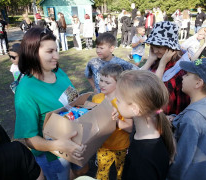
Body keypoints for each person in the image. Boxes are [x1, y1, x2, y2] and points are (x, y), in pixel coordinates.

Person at [14, 27, 88, 180]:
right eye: (50, 52)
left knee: (81, 171)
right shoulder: (26, 91)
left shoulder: (58, 73)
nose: (57, 56)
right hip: (53, 157)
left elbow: (74, 100)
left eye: (56, 50)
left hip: (76, 142)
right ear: (32, 52)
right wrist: (57, 145)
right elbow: (30, 139)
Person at [167, 58, 206, 180]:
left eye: (187, 74)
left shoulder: (192, 117)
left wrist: (170, 176)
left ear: (198, 83)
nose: (183, 77)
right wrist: (176, 119)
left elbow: (182, 157)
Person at [114, 70, 176, 180]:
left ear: (134, 109)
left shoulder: (143, 159)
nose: (116, 102)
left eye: (118, 100)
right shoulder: (148, 131)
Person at [92, 64, 133, 180]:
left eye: (107, 82)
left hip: (121, 146)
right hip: (103, 145)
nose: (102, 84)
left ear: (118, 84)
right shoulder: (96, 98)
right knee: (101, 172)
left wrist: (115, 121)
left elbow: (129, 127)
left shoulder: (124, 101)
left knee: (121, 173)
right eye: (101, 80)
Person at [141, 21, 190, 115]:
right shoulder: (156, 60)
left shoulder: (180, 70)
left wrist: (162, 64)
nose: (155, 51)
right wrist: (149, 61)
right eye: (152, 46)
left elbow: (156, 89)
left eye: (159, 47)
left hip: (167, 118)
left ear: (171, 48)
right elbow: (136, 81)